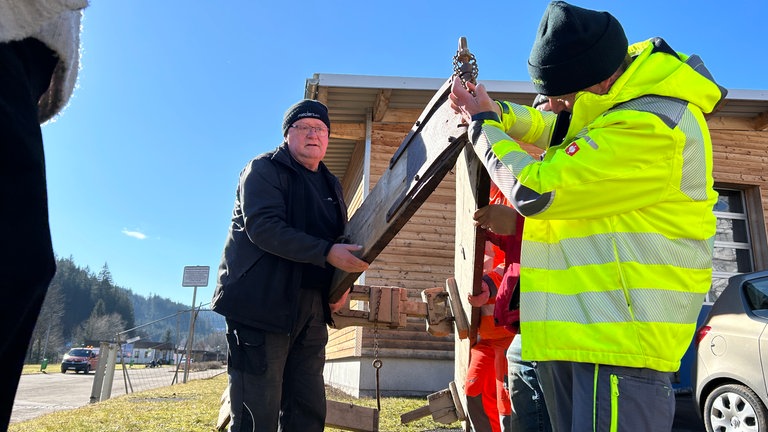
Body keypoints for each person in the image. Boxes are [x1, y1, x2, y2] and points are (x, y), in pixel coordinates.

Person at [450, 1, 726, 430]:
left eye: (561, 94)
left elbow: (534, 190)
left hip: (620, 343)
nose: (556, 104)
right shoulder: (615, 104)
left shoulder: (651, 125)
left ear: (595, 80)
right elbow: (553, 128)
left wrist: (484, 125)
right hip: (586, 335)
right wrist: (498, 111)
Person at [211, 99, 370, 432]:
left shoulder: (331, 184)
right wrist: (328, 252)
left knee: (307, 406)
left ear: (328, 138)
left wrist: (341, 286)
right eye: (304, 127)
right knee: (257, 410)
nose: (314, 134)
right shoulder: (264, 170)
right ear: (287, 134)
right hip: (260, 305)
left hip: (310, 309)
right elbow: (264, 228)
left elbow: (343, 240)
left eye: (321, 129)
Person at [0, 1, 89, 429]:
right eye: (306, 128)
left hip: (24, 69)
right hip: (9, 45)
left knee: (21, 263)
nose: (315, 135)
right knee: (16, 258)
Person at [465, 203, 515, 432]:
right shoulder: (482, 194)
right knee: (473, 391)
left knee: (506, 402)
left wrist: (487, 284)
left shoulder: (513, 197)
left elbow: (521, 260)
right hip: (484, 337)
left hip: (510, 335)